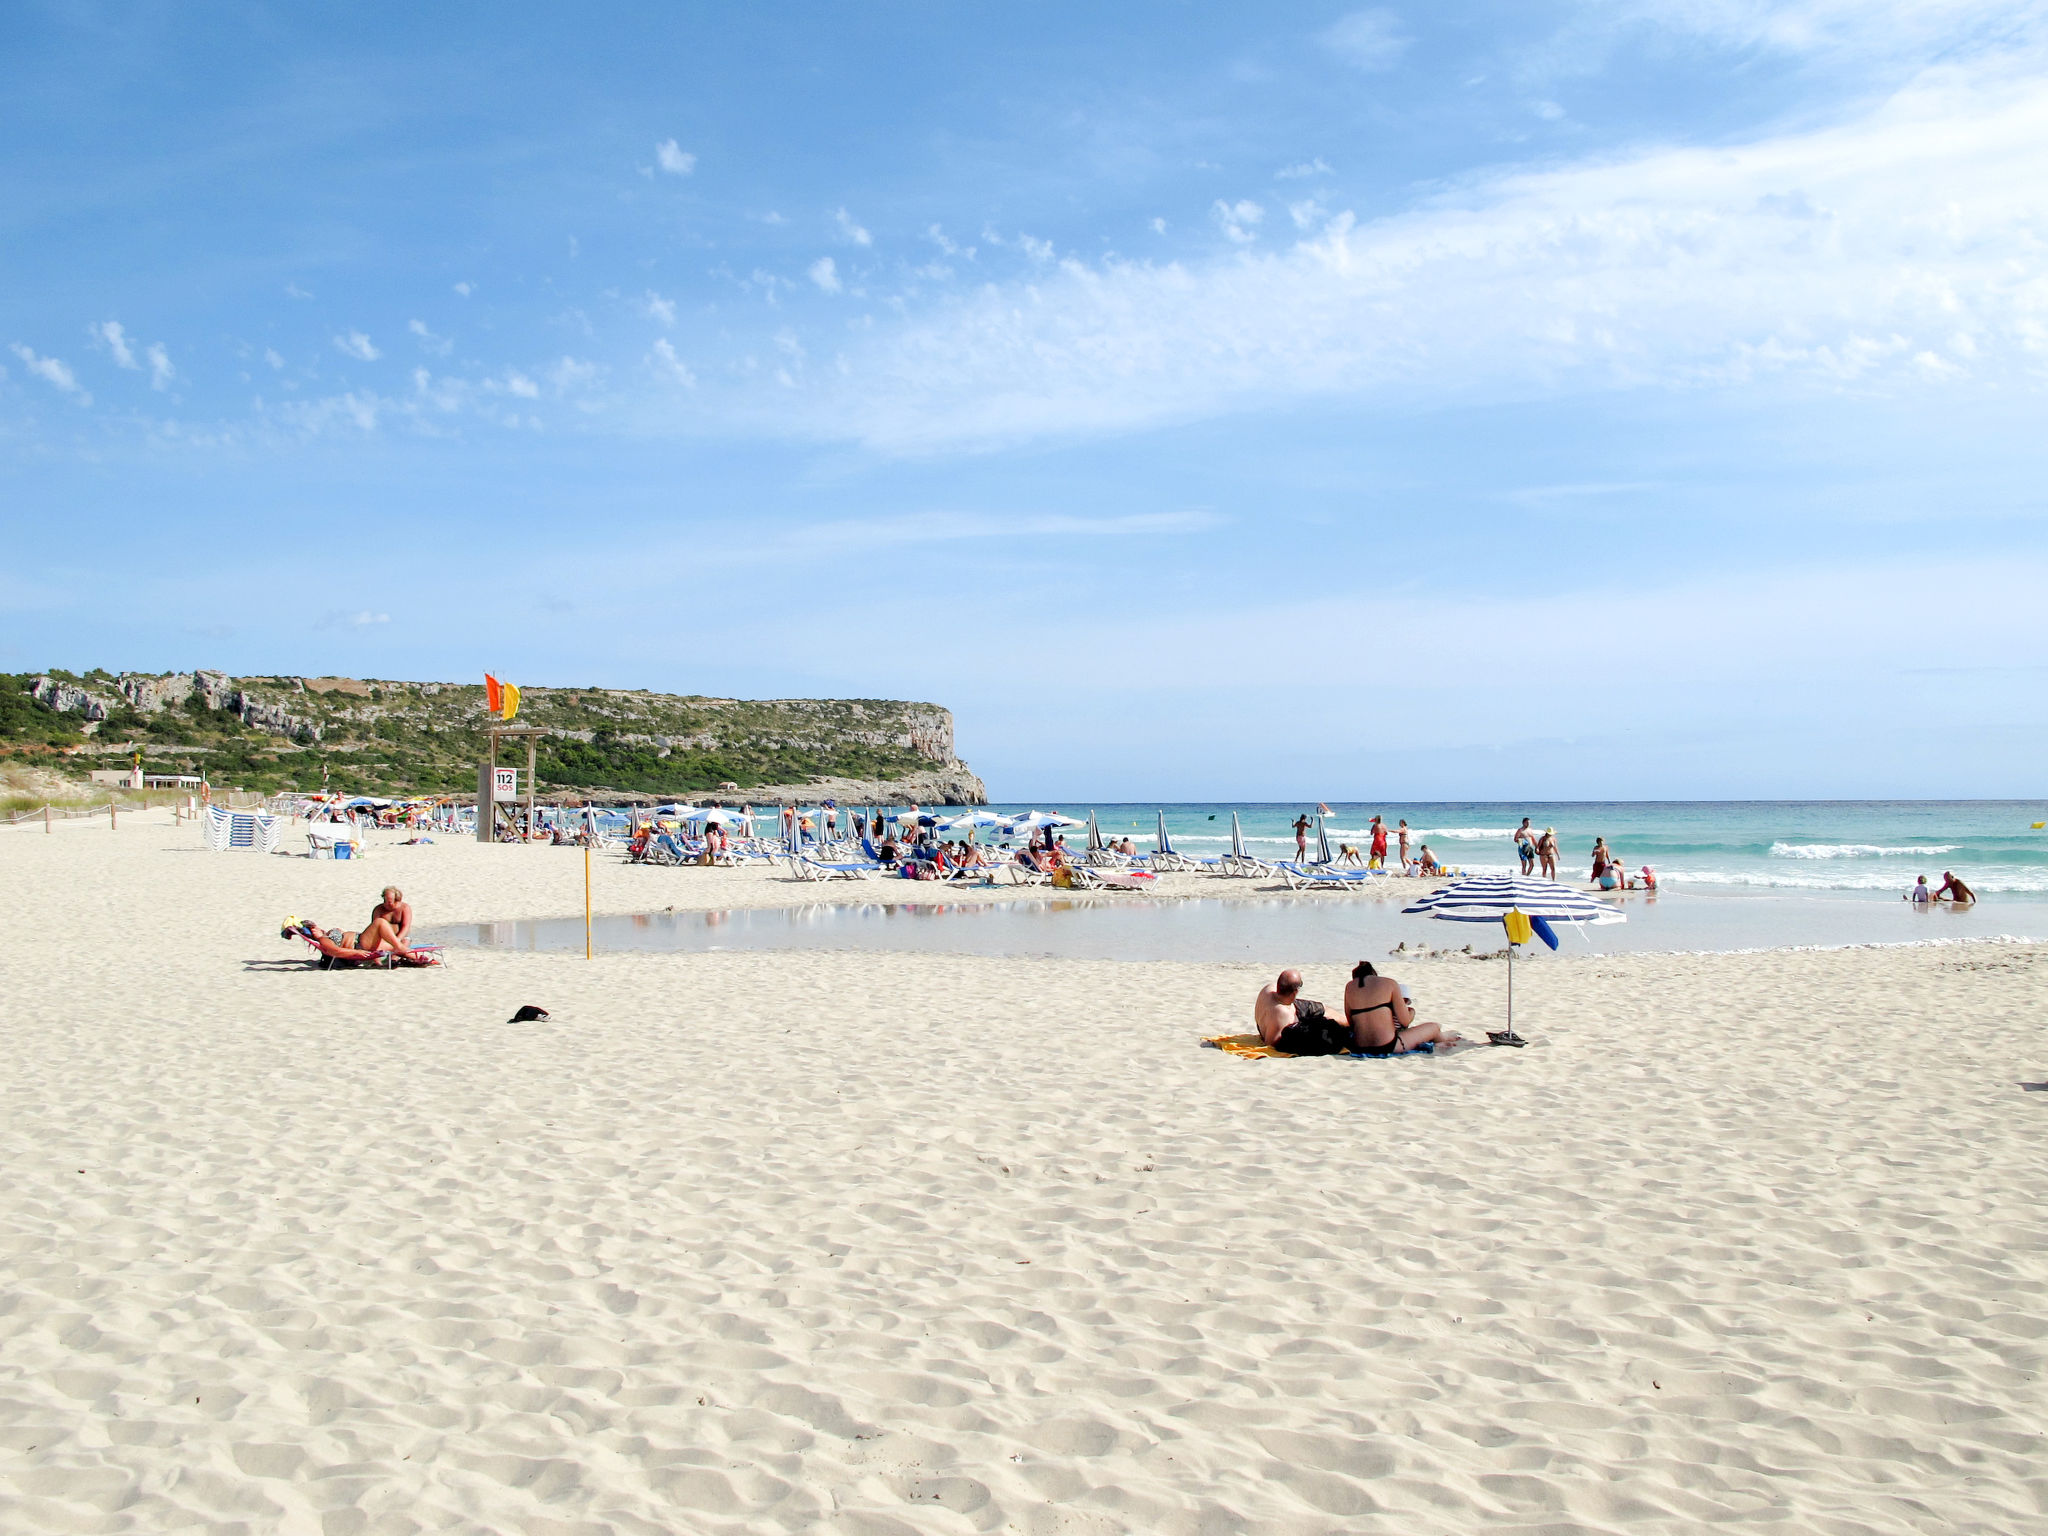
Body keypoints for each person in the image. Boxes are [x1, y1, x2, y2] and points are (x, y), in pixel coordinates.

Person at [1343, 961, 1459, 1053]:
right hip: (1387, 1045)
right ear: (1374, 974)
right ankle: (1442, 1040)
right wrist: (1411, 1012)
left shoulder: (1349, 987)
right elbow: (1405, 1021)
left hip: (1360, 1045)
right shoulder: (1389, 983)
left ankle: (1441, 1039)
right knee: (1433, 1027)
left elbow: (1352, 1023)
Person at [1253, 969, 1356, 1056]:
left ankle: (1349, 1023)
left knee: (1322, 1009)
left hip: (1289, 1005)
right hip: (1289, 1012)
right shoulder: (1283, 1014)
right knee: (1328, 1018)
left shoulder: (1267, 990)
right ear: (1295, 992)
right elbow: (1270, 1043)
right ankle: (1353, 1024)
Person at [337, 887, 417, 956]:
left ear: (397, 900)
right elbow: (374, 929)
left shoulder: (404, 908)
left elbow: (406, 926)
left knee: (405, 941)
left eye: (389, 902)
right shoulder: (378, 910)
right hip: (384, 938)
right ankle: (395, 957)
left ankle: (396, 958)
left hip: (401, 936)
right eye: (385, 901)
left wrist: (398, 939)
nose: (386, 904)